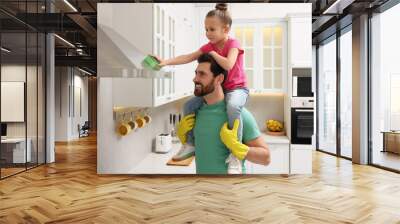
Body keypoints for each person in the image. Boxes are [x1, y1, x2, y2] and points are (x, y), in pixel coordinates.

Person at [156, 3, 248, 173]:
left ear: (225, 29)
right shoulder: (209, 45)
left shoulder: (233, 43)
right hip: (221, 88)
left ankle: (235, 153)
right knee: (189, 106)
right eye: (206, 29)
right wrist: (166, 62)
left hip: (237, 88)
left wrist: (213, 54)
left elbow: (228, 65)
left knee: (234, 107)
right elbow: (189, 57)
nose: (207, 33)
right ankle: (190, 143)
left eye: (212, 29)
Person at [178, 53, 270, 174]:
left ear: (219, 79)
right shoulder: (194, 114)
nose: (195, 79)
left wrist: (237, 147)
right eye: (196, 73)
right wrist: (184, 139)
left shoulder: (239, 115)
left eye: (202, 74)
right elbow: (205, 150)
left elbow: (266, 158)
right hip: (203, 188)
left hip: (232, 189)